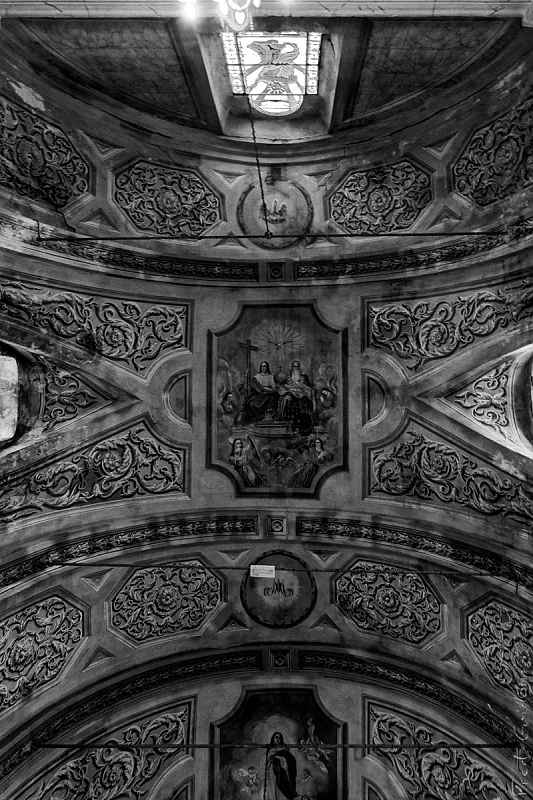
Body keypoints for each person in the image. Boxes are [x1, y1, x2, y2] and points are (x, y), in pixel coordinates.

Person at [278, 361, 314, 432]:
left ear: (299, 367)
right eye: (294, 366)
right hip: (291, 392)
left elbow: (308, 387)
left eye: (297, 367)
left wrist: (301, 385)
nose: (295, 368)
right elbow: (284, 385)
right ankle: (285, 418)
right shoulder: (288, 376)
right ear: (292, 367)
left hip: (301, 394)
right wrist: (287, 387)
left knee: (305, 401)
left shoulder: (303, 377)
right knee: (286, 398)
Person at [264, 731, 297, 800]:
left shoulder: (284, 751)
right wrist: (269, 758)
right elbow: (263, 764)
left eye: (279, 738)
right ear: (273, 738)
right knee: (271, 792)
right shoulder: (269, 750)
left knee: (280, 793)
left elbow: (288, 762)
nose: (278, 739)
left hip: (281, 774)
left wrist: (277, 757)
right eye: (276, 737)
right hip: (271, 773)